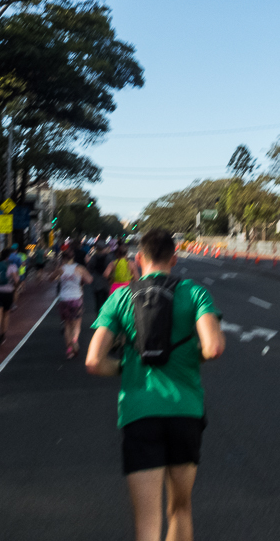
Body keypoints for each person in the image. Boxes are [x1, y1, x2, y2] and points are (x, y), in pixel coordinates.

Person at [86, 229, 225, 541]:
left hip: (139, 414)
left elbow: (93, 361)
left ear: (140, 258)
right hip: (185, 411)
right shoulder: (194, 293)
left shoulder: (120, 297)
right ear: (174, 259)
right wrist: (191, 356)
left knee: (147, 522)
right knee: (181, 508)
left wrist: (124, 365)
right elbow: (213, 347)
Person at [48, 250, 94, 359]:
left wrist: (58, 274)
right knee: (76, 324)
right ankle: (75, 341)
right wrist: (81, 279)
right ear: (73, 258)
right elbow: (90, 280)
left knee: (67, 324)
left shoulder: (61, 269)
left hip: (64, 299)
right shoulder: (80, 268)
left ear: (63, 258)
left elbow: (50, 278)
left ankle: (69, 349)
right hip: (76, 298)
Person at [0, 248, 21, 348]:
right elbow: (16, 281)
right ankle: (2, 335)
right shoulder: (12, 267)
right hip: (8, 293)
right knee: (6, 314)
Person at [87, 241, 111, 315]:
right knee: (106, 300)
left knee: (97, 301)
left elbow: (89, 268)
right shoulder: (109, 257)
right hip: (106, 282)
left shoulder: (93, 258)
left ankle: (98, 316)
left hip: (96, 282)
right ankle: (105, 316)